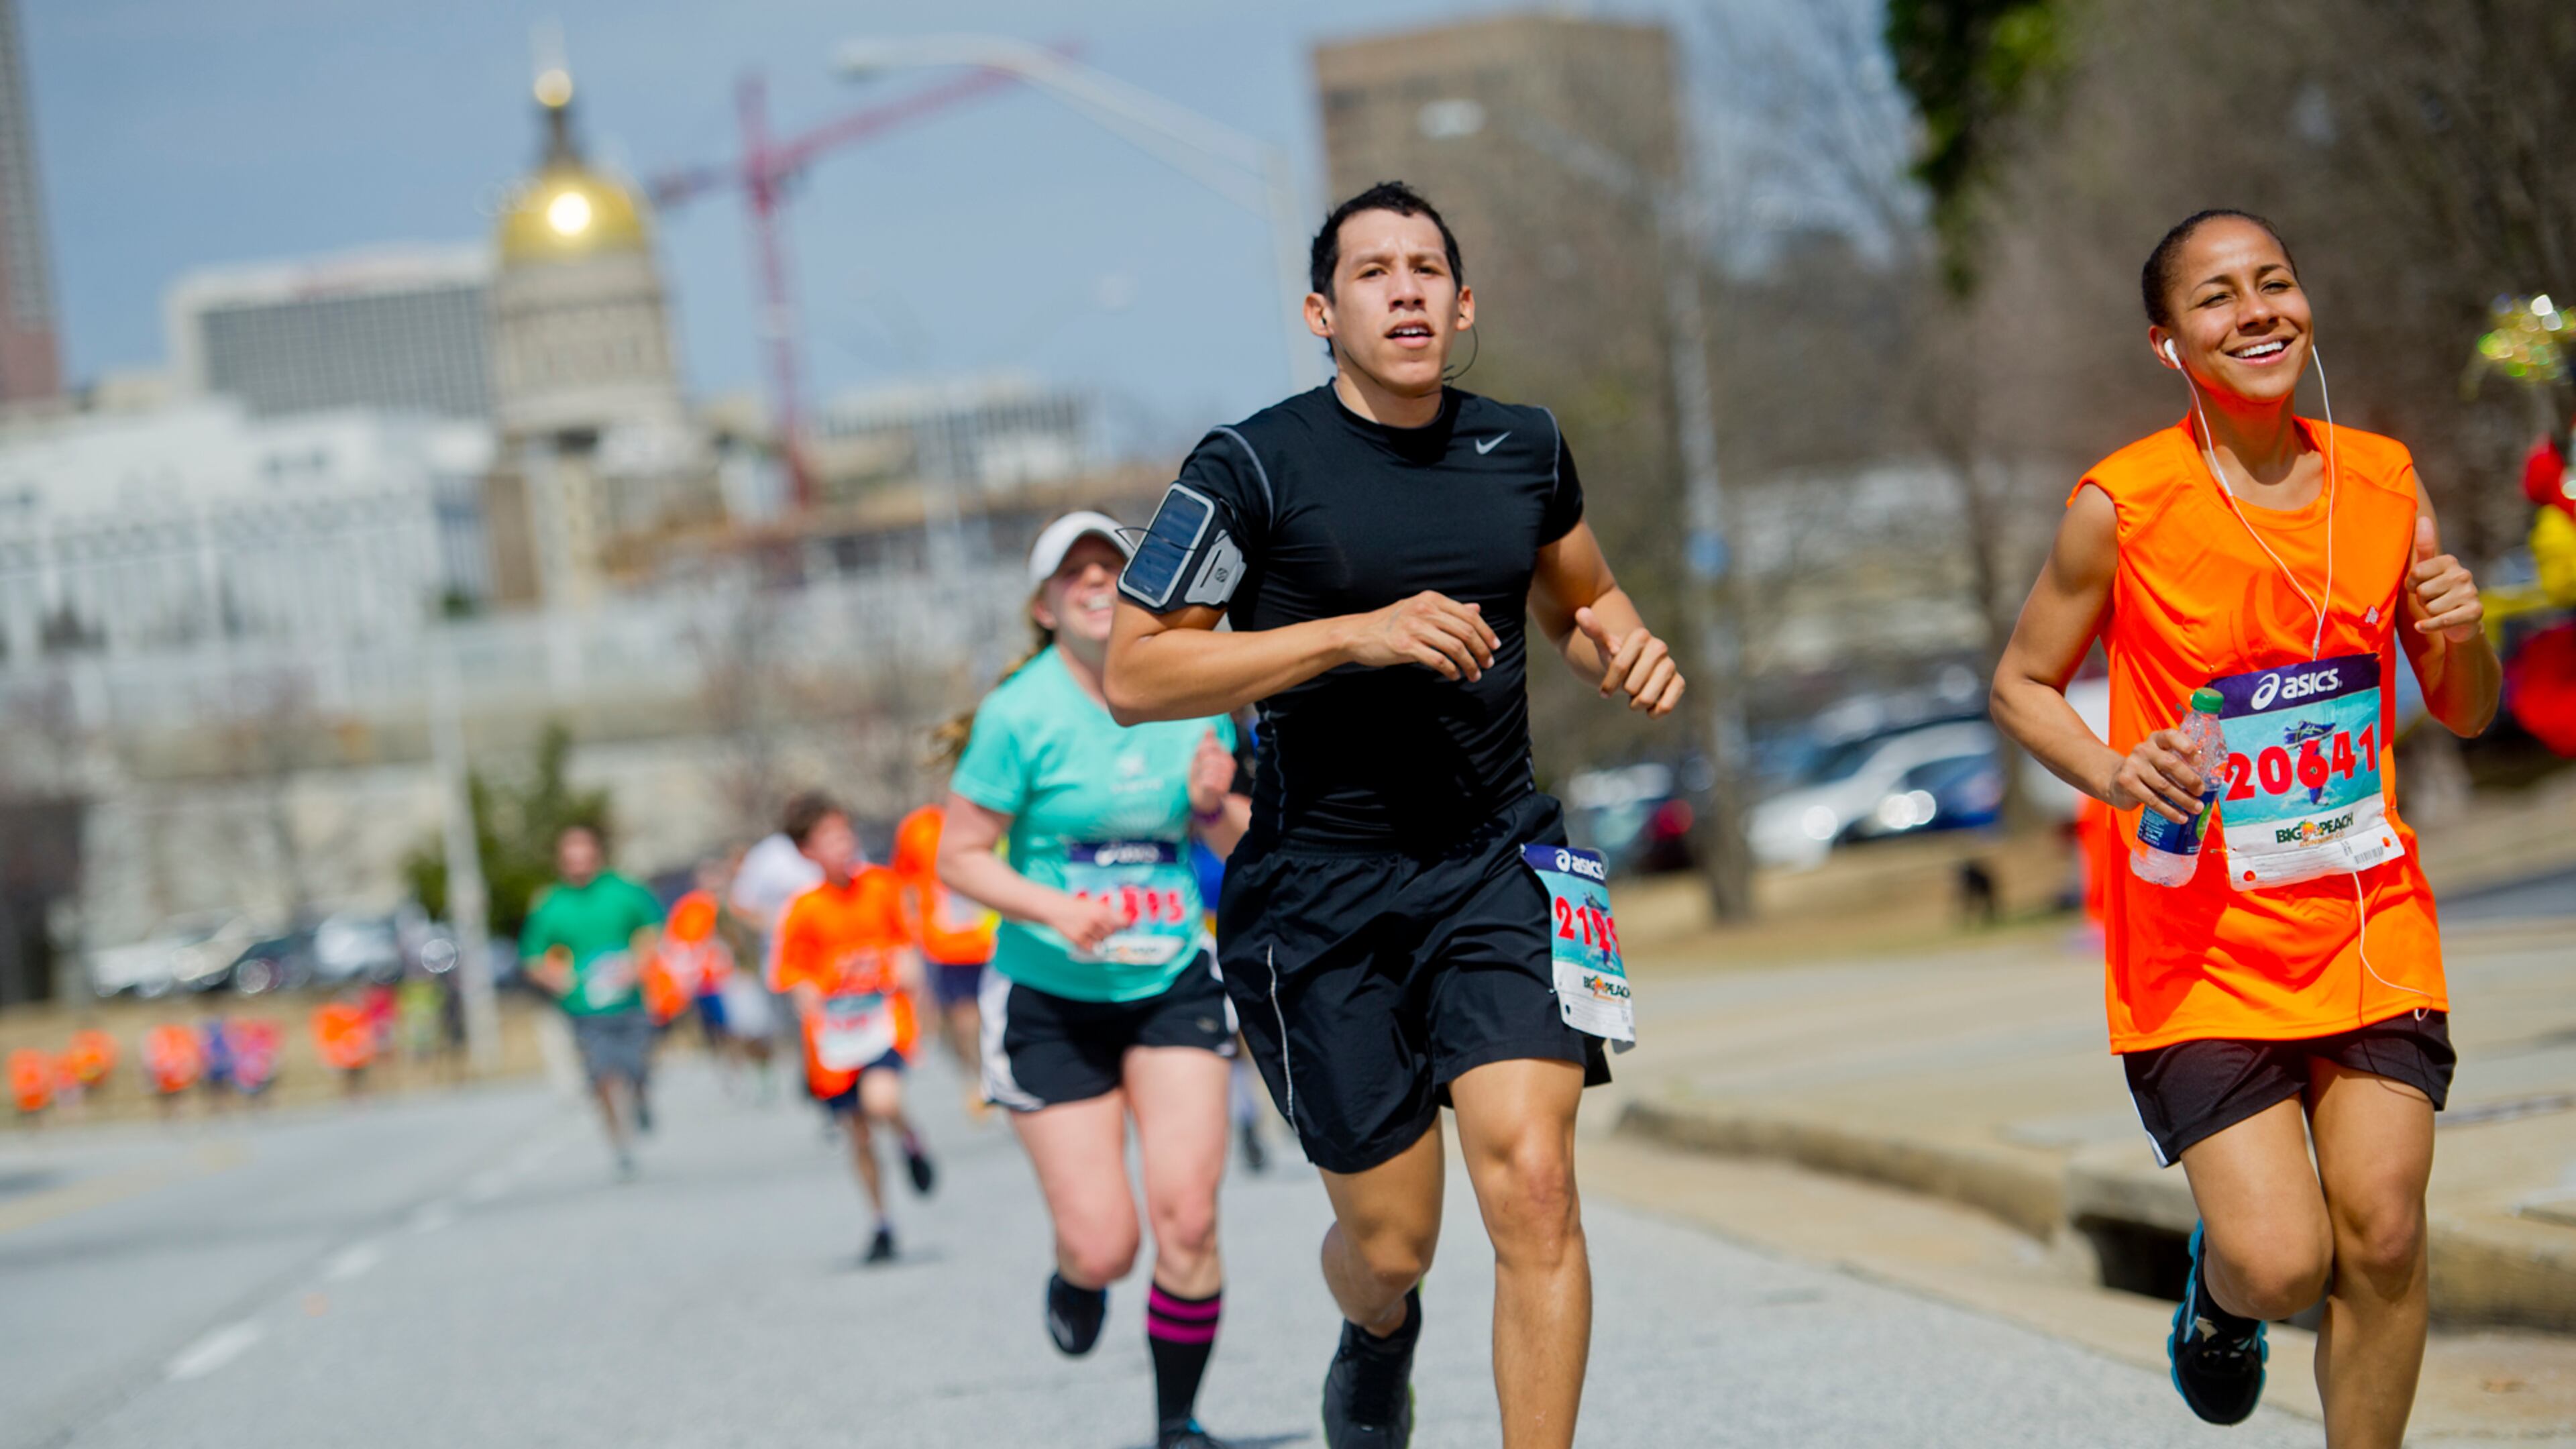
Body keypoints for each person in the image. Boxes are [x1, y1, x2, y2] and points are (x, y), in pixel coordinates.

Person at [1102, 182, 1684, 1449]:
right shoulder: (1250, 466)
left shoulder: (1523, 446)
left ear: (1463, 303)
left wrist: (1622, 645)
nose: (1406, 288)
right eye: (1373, 271)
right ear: (1322, 310)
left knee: (1536, 1185)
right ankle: (1375, 1331)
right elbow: (1136, 673)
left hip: (1498, 866)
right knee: (1392, 1243)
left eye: (1428, 268)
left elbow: (1582, 598)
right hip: (1320, 892)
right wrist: (1350, 636)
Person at [1990, 210, 2500, 1446]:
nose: (2258, 311)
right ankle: (2220, 1300)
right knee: (2281, 1264)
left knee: (2382, 1227)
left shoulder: (2383, 482)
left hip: (2366, 918)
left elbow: (2469, 710)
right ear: (2170, 343)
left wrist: (2459, 626)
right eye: (2217, 298)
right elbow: (2020, 684)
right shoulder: (2124, 504)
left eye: (2275, 283)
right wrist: (2118, 774)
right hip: (2200, 945)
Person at [936, 511, 1250, 1449]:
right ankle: (1076, 1272)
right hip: (1051, 998)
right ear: (1044, 605)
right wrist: (1053, 908)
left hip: (1171, 983)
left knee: (1188, 1218)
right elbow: (960, 858)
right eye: (1073, 570)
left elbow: (1242, 844)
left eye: (1111, 563)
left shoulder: (1194, 694)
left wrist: (1213, 805)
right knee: (1109, 1243)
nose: (1095, 578)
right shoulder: (1017, 715)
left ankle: (1177, 1424)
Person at [772, 794, 938, 1263]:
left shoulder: (881, 887)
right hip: (836, 1036)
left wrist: (911, 981)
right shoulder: (803, 909)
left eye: (844, 833)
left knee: (882, 1100)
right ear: (807, 851)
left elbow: (906, 944)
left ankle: (910, 1137)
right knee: (858, 1133)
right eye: (828, 838)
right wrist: (807, 996)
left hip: (883, 1021)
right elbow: (793, 973)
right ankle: (881, 1222)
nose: (841, 845)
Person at [520, 823, 666, 1178]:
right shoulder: (551, 905)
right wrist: (553, 976)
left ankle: (642, 1095)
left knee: (636, 1066)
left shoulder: (624, 891)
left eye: (584, 857)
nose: (579, 865)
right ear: (562, 863)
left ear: (596, 856)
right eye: (572, 859)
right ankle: (620, 1145)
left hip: (629, 1000)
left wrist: (638, 964)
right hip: (583, 1007)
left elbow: (655, 929)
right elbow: (532, 958)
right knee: (601, 1076)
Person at [890, 803, 999, 1116]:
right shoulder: (919, 827)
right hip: (947, 944)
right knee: (965, 1020)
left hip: (994, 937)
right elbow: (904, 883)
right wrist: (912, 934)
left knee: (994, 1014)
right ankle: (980, 1079)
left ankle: (995, 1075)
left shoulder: (994, 815)